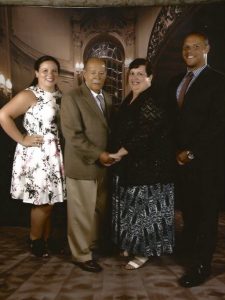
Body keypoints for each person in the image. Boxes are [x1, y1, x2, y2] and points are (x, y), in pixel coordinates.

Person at [168, 32, 225, 287]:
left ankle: (201, 266)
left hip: (207, 163)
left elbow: (218, 125)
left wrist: (191, 152)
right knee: (189, 212)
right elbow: (172, 122)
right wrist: (176, 153)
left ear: (206, 49)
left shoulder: (219, 81)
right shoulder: (177, 81)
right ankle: (190, 254)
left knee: (206, 216)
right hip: (181, 163)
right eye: (185, 47)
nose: (189, 51)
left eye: (195, 46)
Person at [109, 58, 176, 270]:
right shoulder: (130, 98)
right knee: (131, 208)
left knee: (146, 210)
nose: (135, 77)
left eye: (140, 73)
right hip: (132, 164)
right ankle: (132, 243)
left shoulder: (152, 98)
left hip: (150, 166)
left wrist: (119, 153)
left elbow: (145, 133)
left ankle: (144, 251)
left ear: (150, 77)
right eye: (132, 74)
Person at [0, 55, 66, 257]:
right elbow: (3, 115)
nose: (49, 74)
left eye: (54, 70)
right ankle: (34, 240)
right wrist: (22, 138)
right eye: (45, 70)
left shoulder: (60, 95)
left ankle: (44, 240)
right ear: (36, 73)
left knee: (50, 201)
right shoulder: (30, 95)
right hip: (37, 155)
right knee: (42, 202)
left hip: (54, 153)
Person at [60, 57, 113, 273]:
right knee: (80, 212)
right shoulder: (72, 97)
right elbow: (73, 135)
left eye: (101, 73)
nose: (97, 77)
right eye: (92, 72)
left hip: (103, 166)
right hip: (83, 164)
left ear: (106, 75)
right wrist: (99, 154)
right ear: (84, 74)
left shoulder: (107, 98)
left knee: (97, 211)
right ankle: (80, 255)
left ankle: (90, 246)